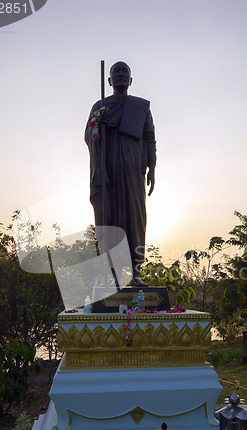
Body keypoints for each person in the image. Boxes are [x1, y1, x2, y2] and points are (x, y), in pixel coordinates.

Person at [85, 61, 157, 286]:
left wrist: (152, 166)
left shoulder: (140, 107)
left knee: (135, 217)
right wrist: (100, 125)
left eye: (124, 72)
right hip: (108, 172)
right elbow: (89, 135)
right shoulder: (100, 106)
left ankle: (135, 273)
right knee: (110, 217)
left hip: (133, 171)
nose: (120, 75)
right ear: (109, 81)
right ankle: (113, 277)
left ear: (131, 80)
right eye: (116, 72)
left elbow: (149, 137)